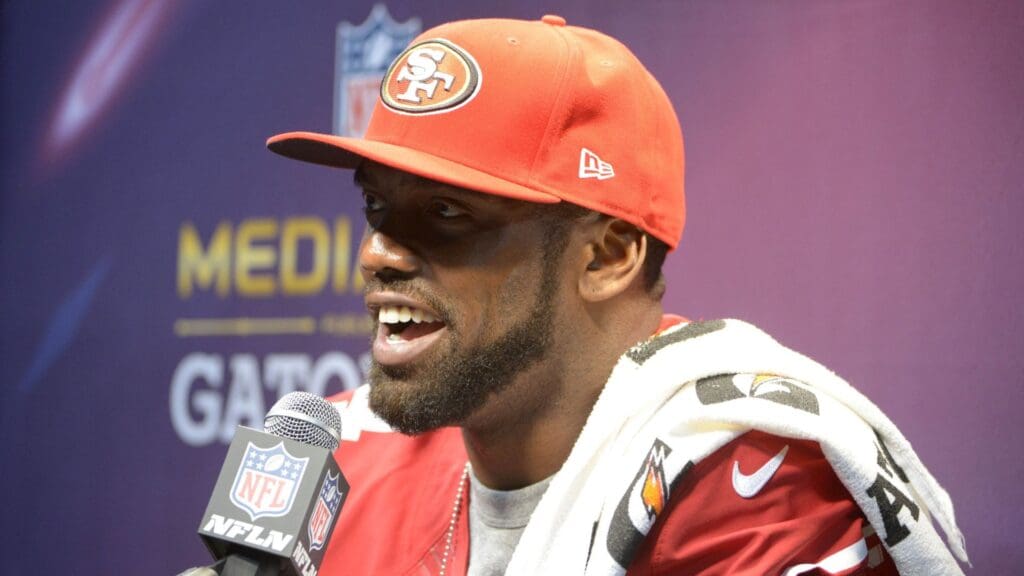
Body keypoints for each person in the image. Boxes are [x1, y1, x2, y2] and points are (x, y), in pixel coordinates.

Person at [267, 15, 968, 576]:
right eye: (378, 210)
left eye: (448, 214)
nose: (377, 254)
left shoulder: (756, 489)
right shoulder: (338, 457)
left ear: (607, 255)